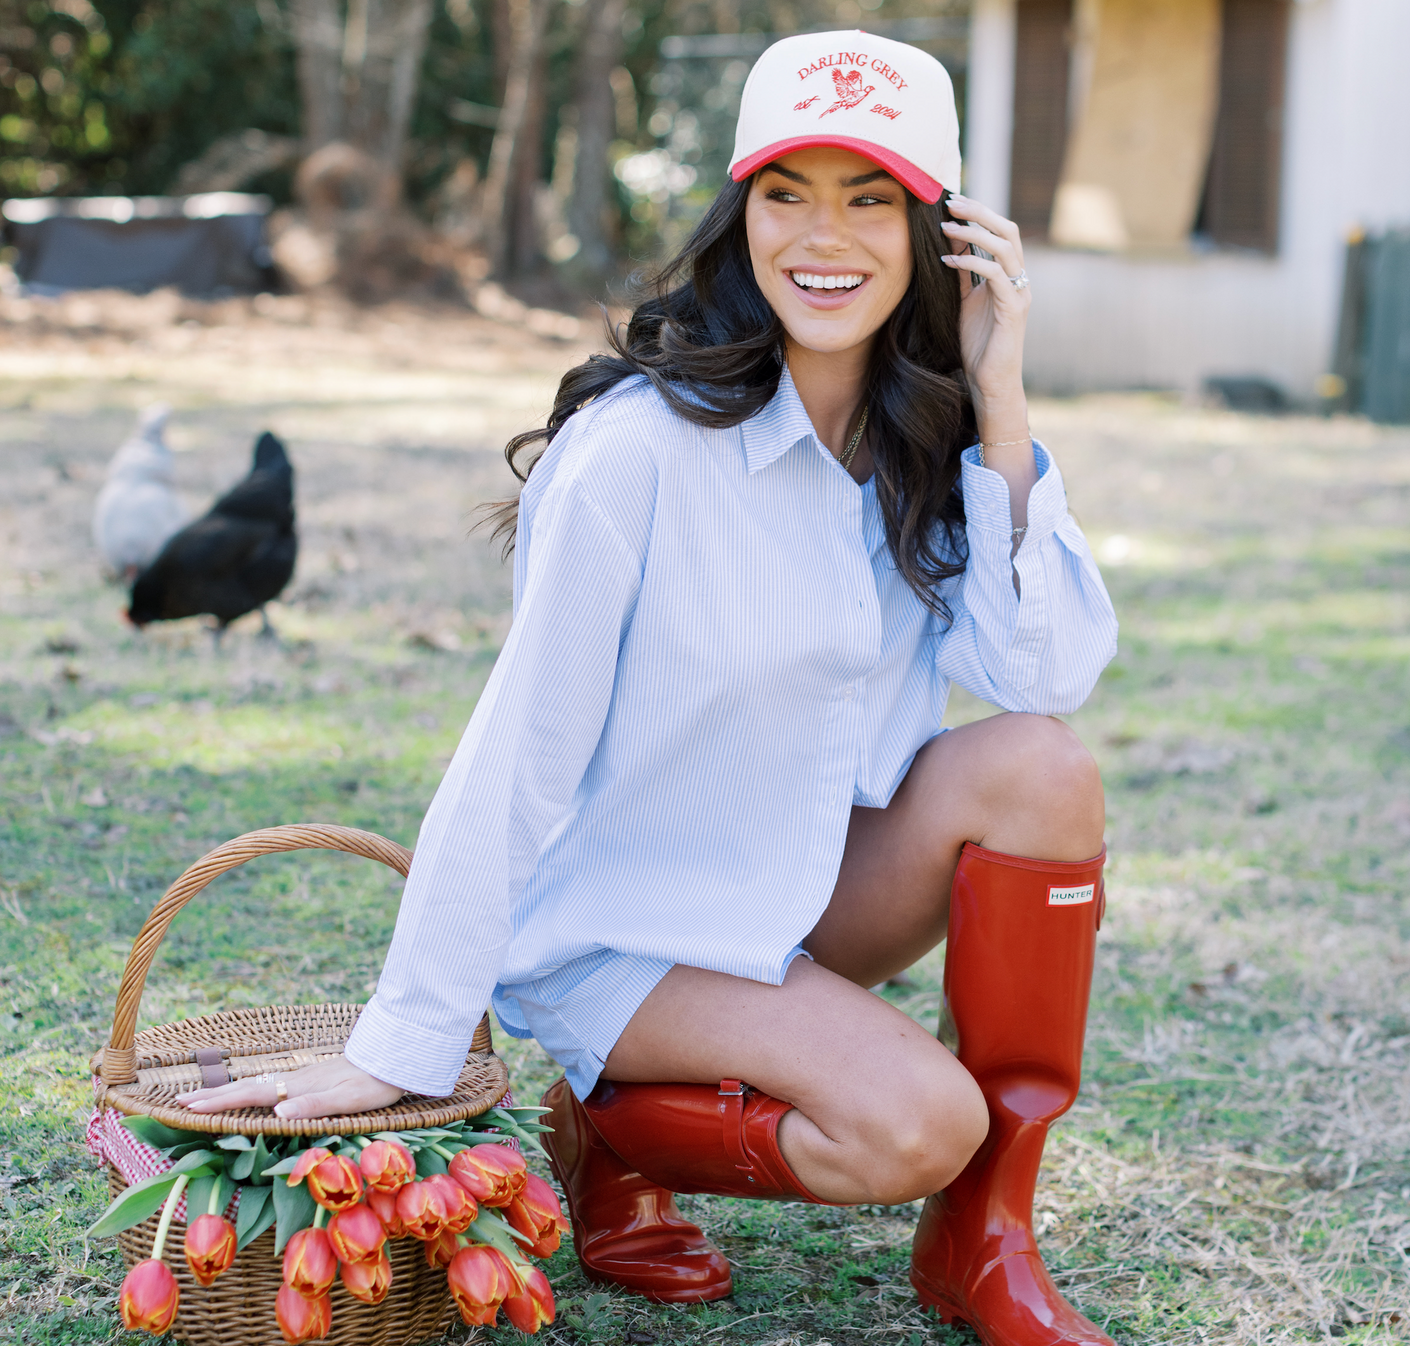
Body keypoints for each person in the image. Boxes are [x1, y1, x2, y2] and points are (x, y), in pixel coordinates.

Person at [181, 31, 1119, 1346]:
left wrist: (1001, 395)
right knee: (918, 1120)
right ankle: (603, 1124)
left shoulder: (924, 437)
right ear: (742, 216)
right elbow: (522, 751)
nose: (824, 235)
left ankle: (985, 1234)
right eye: (790, 192)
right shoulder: (637, 456)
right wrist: (406, 1037)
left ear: (934, 233)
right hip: (626, 929)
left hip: (791, 888)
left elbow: (1042, 672)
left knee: (1044, 767)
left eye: (871, 198)